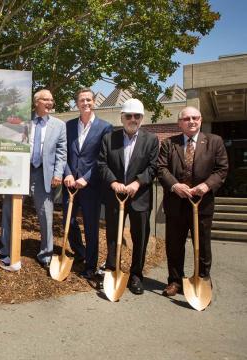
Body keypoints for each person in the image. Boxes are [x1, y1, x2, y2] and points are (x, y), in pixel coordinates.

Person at [157, 106, 228, 296]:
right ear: (180, 123)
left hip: (202, 203)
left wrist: (206, 186)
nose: (191, 121)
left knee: (202, 244)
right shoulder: (169, 144)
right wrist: (175, 186)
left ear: (201, 119)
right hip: (175, 204)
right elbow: (161, 168)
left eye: (195, 117)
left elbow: (221, 170)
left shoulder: (214, 141)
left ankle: (202, 279)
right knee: (174, 245)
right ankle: (175, 281)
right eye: (186, 118)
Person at [0, 89, 66, 268]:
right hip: (20, 172)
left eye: (52, 99)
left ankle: (46, 255)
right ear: (36, 102)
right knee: (9, 209)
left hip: (44, 175)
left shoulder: (59, 125)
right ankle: (6, 249)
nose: (50, 103)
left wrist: (58, 174)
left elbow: (61, 152)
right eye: (46, 99)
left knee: (46, 215)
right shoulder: (23, 121)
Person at [98, 99, 159, 294]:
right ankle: (112, 269)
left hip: (139, 197)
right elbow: (101, 164)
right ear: (122, 117)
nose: (133, 119)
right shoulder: (109, 139)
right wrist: (113, 182)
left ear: (142, 118)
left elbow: (153, 167)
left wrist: (137, 182)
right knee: (113, 236)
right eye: (129, 116)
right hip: (115, 196)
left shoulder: (151, 140)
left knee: (140, 237)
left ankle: (136, 275)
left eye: (137, 116)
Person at [63, 88, 113, 282]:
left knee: (91, 227)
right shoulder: (68, 126)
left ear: (94, 102)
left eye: (89, 100)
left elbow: (103, 158)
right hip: (70, 185)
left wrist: (86, 178)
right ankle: (80, 251)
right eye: (82, 100)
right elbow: (64, 153)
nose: (85, 103)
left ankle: (90, 265)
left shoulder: (105, 127)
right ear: (77, 104)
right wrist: (67, 174)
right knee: (68, 221)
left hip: (91, 187)